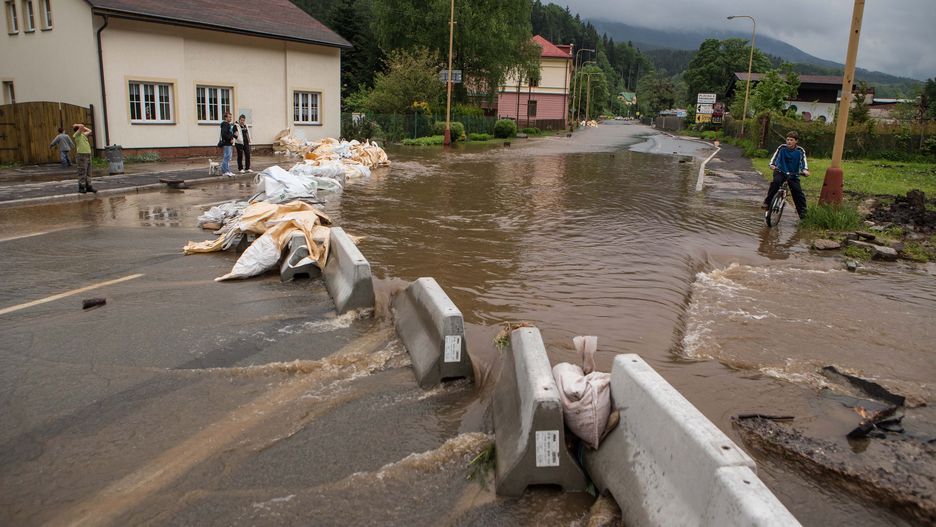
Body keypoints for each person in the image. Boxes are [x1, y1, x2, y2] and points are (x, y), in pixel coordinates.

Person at [763, 131, 810, 218]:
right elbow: (775, 157)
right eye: (787, 139)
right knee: (776, 183)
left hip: (793, 174)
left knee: (797, 192)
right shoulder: (782, 148)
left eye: (791, 140)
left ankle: (803, 215)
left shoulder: (800, 151)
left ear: (796, 141)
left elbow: (803, 162)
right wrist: (772, 165)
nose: (789, 142)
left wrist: (805, 170)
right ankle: (767, 203)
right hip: (780, 171)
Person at [72, 123, 96, 193]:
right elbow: (81, 126)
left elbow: (90, 130)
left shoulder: (83, 135)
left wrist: (82, 127)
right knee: (82, 171)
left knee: (88, 171)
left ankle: (88, 186)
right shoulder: (77, 135)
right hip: (81, 155)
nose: (82, 129)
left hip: (88, 154)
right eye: (81, 129)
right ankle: (81, 187)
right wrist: (77, 125)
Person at [218, 112, 236, 177]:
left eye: (231, 117)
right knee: (227, 157)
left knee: (228, 158)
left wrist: (232, 137)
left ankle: (227, 170)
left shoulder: (228, 124)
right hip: (227, 143)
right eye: (229, 117)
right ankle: (225, 171)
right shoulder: (225, 124)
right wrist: (230, 139)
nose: (230, 118)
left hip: (229, 143)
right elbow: (224, 134)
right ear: (226, 118)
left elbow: (229, 133)